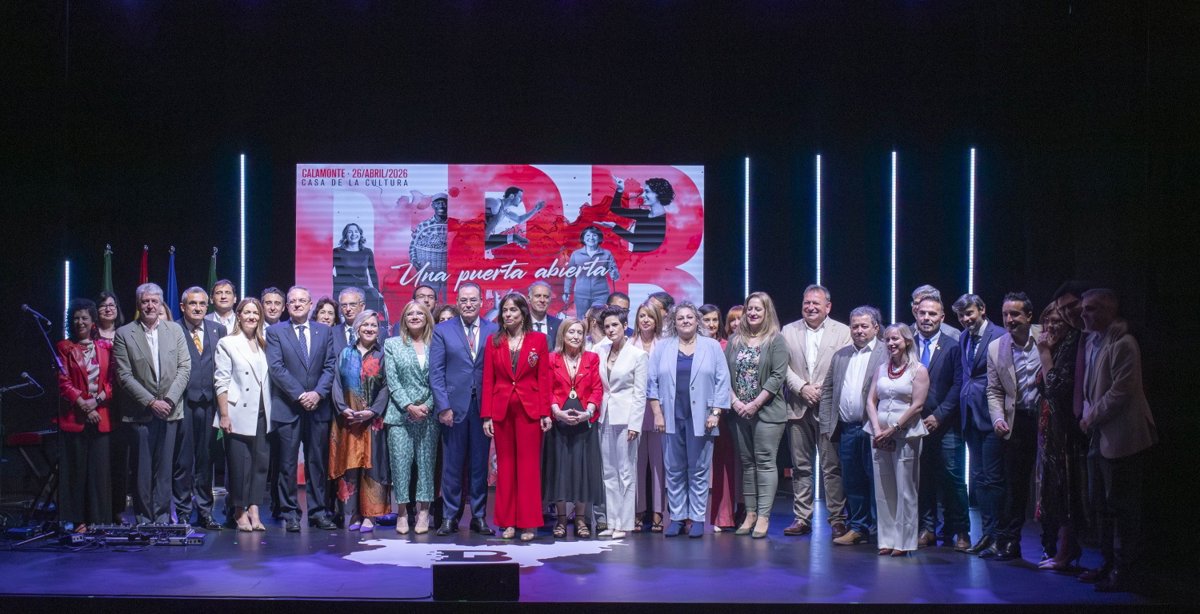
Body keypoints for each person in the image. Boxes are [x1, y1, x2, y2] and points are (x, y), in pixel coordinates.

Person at [1078, 289, 1157, 593]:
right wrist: (1088, 415)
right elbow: (1090, 390)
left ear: (1111, 311)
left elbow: (1121, 392)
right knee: (1100, 504)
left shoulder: (1124, 344)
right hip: (1099, 436)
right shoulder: (1093, 342)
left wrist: (1091, 417)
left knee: (1122, 507)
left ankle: (1124, 570)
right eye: (1084, 309)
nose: (1084, 314)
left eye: (1091, 309)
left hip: (1123, 437)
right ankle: (1107, 563)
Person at [647, 302, 731, 538]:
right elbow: (651, 383)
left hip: (702, 419)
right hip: (671, 417)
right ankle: (676, 517)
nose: (685, 321)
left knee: (699, 469)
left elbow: (722, 381)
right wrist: (657, 413)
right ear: (674, 322)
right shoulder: (663, 347)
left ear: (697, 321)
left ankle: (695, 518)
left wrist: (716, 413)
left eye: (690, 317)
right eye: (680, 318)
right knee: (673, 469)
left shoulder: (712, 347)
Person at [112, 283, 191, 524]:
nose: (150, 305)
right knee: (142, 471)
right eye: (145, 301)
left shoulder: (174, 330)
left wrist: (167, 400)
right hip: (140, 413)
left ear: (161, 304)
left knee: (164, 469)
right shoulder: (124, 333)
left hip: (170, 410)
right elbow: (124, 376)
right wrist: (150, 402)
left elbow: (184, 367)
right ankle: (144, 518)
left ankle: (162, 517)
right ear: (138, 304)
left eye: (154, 301)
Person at [780, 284, 853, 539]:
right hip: (797, 407)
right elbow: (782, 367)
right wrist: (802, 388)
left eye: (816, 304)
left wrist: (821, 389)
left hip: (829, 407)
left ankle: (837, 519)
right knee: (800, 467)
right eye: (806, 303)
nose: (810, 307)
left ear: (828, 307)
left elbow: (846, 366)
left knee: (832, 467)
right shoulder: (788, 331)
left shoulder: (843, 332)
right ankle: (802, 518)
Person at [480, 293, 553, 540]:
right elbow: (488, 379)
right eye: (505, 311)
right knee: (506, 467)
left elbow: (544, 378)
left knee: (529, 467)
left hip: (530, 411)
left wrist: (545, 412)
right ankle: (508, 521)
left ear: (523, 313)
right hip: (501, 411)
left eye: (513, 310)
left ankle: (529, 522)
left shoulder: (538, 340)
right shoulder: (494, 341)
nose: (508, 315)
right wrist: (486, 415)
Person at [266, 285, 338, 532]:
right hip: (288, 407)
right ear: (287, 306)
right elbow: (276, 368)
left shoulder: (324, 332)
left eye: (302, 301)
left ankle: (318, 512)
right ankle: (290, 512)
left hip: (318, 408)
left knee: (316, 463)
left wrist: (317, 393)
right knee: (286, 464)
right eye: (292, 301)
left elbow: (330, 366)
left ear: (310, 305)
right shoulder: (276, 332)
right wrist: (300, 395)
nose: (297, 304)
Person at [430, 283, 498, 536]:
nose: (468, 304)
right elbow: (436, 373)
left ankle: (479, 516)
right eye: (463, 300)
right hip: (453, 408)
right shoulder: (442, 330)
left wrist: (492, 410)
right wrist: (443, 407)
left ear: (482, 302)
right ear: (457, 302)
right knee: (452, 465)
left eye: (473, 300)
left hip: (483, 408)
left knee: (480, 466)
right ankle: (449, 517)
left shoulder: (494, 330)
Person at [724, 292, 790, 539]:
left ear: (767, 312)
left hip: (767, 412)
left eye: (758, 310)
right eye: (750, 309)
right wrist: (735, 401)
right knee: (747, 462)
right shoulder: (735, 340)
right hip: (738, 412)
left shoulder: (776, 340)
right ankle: (750, 513)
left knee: (764, 461)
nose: (752, 313)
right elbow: (724, 374)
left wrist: (754, 404)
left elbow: (777, 377)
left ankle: (763, 516)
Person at [984, 292, 1044, 562]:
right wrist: (998, 418)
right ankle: (1010, 542)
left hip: (1047, 421)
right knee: (1015, 486)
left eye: (1015, 314)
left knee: (1049, 485)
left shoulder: (1046, 337)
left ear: (1029, 316)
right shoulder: (997, 347)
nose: (1009, 320)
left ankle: (1052, 546)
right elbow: (994, 390)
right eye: (1006, 314)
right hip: (1016, 421)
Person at [822, 306, 888, 546]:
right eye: (855, 326)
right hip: (847, 428)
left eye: (864, 326)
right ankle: (858, 527)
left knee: (879, 481)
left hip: (876, 429)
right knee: (853, 481)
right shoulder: (841, 355)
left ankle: (884, 529)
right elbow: (828, 389)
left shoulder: (886, 352)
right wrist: (827, 425)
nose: (858, 331)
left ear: (875, 328)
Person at [1032, 294, 1089, 571]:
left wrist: (1044, 353)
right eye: (1046, 321)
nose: (1050, 327)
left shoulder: (1073, 344)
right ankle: (1053, 548)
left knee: (1065, 490)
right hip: (1049, 428)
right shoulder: (1058, 346)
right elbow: (1042, 387)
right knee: (1051, 490)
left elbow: (1055, 386)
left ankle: (1067, 552)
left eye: (1056, 321)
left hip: (1067, 430)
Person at [865, 324, 930, 556]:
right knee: (883, 488)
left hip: (906, 435)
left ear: (907, 341)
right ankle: (887, 540)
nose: (891, 343)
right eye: (888, 339)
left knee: (905, 489)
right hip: (879, 435)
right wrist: (876, 428)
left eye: (896, 339)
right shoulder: (881, 369)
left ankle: (904, 542)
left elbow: (918, 405)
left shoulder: (918, 370)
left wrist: (894, 428)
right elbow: (871, 401)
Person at [912, 296, 969, 550]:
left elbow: (959, 385)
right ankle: (927, 528)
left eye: (933, 314)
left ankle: (961, 531)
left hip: (946, 424)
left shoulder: (953, 345)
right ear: (915, 314)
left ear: (942, 318)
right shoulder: (907, 344)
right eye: (923, 313)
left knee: (953, 478)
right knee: (923, 478)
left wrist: (940, 415)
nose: (927, 318)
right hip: (915, 424)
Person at [953, 293, 1007, 557]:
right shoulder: (963, 337)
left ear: (982, 310)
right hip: (970, 417)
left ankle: (999, 536)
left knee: (994, 480)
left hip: (992, 415)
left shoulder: (999, 335)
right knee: (979, 479)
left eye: (970, 313)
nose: (965, 319)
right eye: (962, 316)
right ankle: (986, 534)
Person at [214, 298, 273, 532]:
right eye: (247, 312)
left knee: (260, 464)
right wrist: (224, 415)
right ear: (238, 315)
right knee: (239, 465)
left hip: (262, 412)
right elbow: (221, 381)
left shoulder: (264, 343)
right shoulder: (227, 343)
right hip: (237, 412)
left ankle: (254, 508)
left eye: (256, 313)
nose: (252, 317)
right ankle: (239, 510)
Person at [330, 310, 392, 532]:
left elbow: (387, 386)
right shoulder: (345, 354)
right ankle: (354, 513)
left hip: (373, 422)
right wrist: (342, 408)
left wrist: (373, 411)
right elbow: (336, 383)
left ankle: (371, 515)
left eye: (374, 325)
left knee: (373, 466)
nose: (369, 329)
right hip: (348, 420)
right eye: (365, 325)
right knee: (350, 467)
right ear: (357, 327)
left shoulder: (383, 354)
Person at [543, 317, 604, 539]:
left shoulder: (592, 358)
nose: (575, 336)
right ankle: (560, 520)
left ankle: (580, 519)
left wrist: (587, 412)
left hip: (584, 422)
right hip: (559, 420)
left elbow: (597, 388)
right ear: (562, 334)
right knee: (560, 471)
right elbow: (546, 388)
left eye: (579, 332)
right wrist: (556, 412)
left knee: (582, 471)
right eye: (571, 332)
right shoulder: (551, 358)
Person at [56, 299, 114, 530]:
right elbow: (63, 383)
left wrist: (96, 402)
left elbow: (111, 382)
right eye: (76, 318)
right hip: (75, 418)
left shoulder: (105, 348)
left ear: (93, 322)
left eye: (84, 318)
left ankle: (99, 520)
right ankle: (78, 520)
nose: (79, 321)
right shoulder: (64, 347)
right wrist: (85, 406)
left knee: (100, 472)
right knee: (76, 471)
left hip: (102, 416)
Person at [383, 300, 440, 535]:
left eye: (420, 313)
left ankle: (424, 511)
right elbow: (392, 380)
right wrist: (409, 406)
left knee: (427, 466)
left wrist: (426, 406)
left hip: (428, 415)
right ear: (403, 319)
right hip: (399, 415)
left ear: (427, 317)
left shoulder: (437, 344)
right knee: (400, 466)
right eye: (410, 314)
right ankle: (403, 512)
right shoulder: (392, 344)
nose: (415, 317)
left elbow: (440, 379)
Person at [176, 286, 227, 530]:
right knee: (184, 461)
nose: (198, 308)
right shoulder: (174, 330)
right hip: (183, 403)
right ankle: (183, 511)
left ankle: (205, 512)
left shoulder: (218, 329)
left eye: (202, 304)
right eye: (193, 304)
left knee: (206, 460)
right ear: (183, 306)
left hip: (209, 404)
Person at [594, 305, 647, 539]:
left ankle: (624, 524)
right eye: (606, 326)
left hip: (627, 419)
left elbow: (640, 392)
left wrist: (635, 424)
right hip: (604, 415)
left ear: (625, 326)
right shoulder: (599, 350)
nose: (610, 329)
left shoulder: (638, 355)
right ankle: (612, 521)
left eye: (615, 325)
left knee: (626, 471)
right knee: (608, 472)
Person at [699, 304, 738, 531]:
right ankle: (690, 517)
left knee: (724, 464)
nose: (712, 324)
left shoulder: (727, 346)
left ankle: (723, 517)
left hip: (722, 412)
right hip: (696, 411)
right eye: (707, 320)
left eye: (715, 320)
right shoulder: (691, 346)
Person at [630, 301, 666, 532]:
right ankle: (638, 510)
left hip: (658, 411)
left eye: (650, 317)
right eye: (642, 315)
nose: (645, 320)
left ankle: (658, 512)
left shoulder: (664, 345)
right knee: (636, 465)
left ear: (656, 321)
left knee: (658, 466)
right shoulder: (629, 344)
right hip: (634, 411)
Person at [96, 290, 126, 520]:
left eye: (112, 305)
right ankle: (97, 507)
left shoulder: (126, 334)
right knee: (99, 460)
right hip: (95, 406)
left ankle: (117, 510)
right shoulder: (90, 335)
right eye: (103, 305)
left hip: (121, 403)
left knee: (118, 460)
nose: (108, 309)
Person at [594, 176, 672, 253]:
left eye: (647, 191)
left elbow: (638, 240)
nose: (642, 195)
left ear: (659, 193)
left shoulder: (665, 221)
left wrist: (614, 227)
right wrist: (620, 190)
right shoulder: (644, 214)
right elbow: (616, 209)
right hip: (635, 261)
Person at [562, 228, 621, 317]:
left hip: (601, 294)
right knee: (582, 320)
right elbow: (569, 275)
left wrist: (614, 274)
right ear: (583, 238)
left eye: (594, 235)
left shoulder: (606, 254)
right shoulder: (576, 254)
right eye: (588, 235)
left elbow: (616, 276)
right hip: (581, 295)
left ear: (599, 238)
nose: (591, 238)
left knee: (598, 319)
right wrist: (566, 292)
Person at [333, 223, 386, 316]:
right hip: (343, 286)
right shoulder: (337, 252)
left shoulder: (367, 252)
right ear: (345, 235)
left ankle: (369, 319)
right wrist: (336, 282)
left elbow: (372, 273)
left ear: (360, 234)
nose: (353, 234)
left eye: (356, 231)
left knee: (374, 294)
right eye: (350, 232)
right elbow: (327, 271)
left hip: (362, 286)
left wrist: (377, 291)